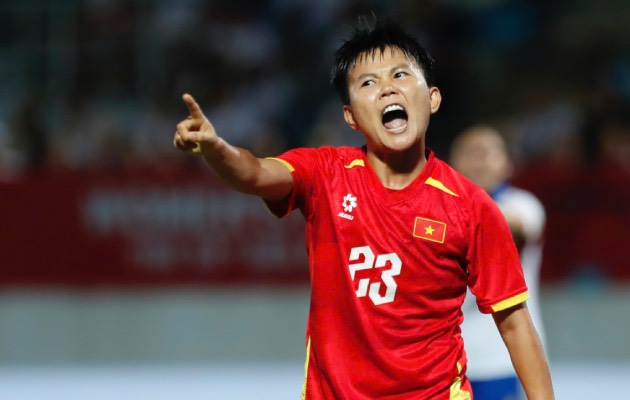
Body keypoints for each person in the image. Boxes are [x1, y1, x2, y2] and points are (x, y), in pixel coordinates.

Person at [173, 16, 554, 400]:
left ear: (432, 99)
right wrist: (215, 148)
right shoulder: (324, 173)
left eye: (400, 75)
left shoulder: (471, 207)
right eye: (368, 83)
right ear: (350, 116)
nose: (387, 88)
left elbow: (516, 324)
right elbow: (254, 173)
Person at [450, 125, 547, 400]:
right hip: (448, 361)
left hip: (503, 360)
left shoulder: (523, 204)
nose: (478, 160)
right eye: (469, 153)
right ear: (452, 164)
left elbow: (512, 226)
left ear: (507, 164)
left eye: (487, 153)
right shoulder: (438, 208)